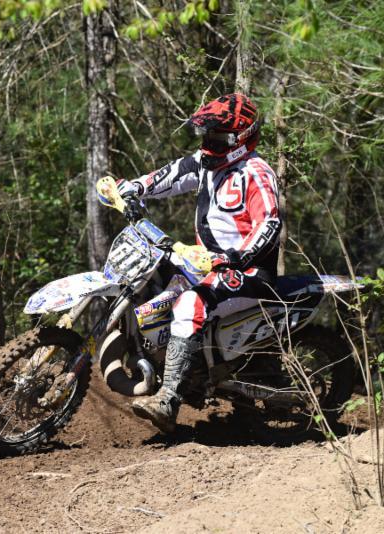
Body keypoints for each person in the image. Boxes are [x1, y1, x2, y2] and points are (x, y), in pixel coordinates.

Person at [118, 93, 281, 433]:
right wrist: (134, 188)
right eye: (206, 136)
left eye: (217, 137)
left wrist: (233, 258)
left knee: (191, 302)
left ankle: (168, 401)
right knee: (160, 283)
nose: (209, 143)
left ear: (241, 138)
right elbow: (171, 175)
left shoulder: (256, 172)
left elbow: (270, 224)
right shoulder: (208, 163)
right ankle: (183, 367)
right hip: (209, 266)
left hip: (248, 271)